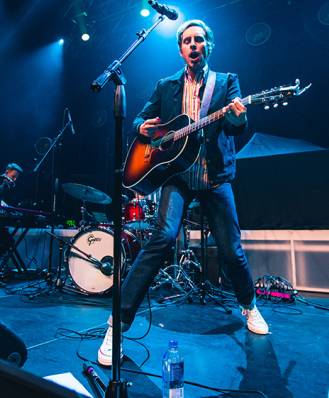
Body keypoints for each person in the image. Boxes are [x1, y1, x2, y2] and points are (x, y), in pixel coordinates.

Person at [98, 19, 268, 367]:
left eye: (199, 40)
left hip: (215, 176)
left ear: (209, 45)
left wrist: (237, 114)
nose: (193, 45)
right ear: (180, 49)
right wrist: (143, 127)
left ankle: (249, 305)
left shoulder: (227, 82)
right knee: (161, 238)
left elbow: (237, 126)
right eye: (187, 41)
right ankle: (117, 325)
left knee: (230, 250)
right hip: (176, 175)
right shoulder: (166, 85)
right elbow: (140, 121)